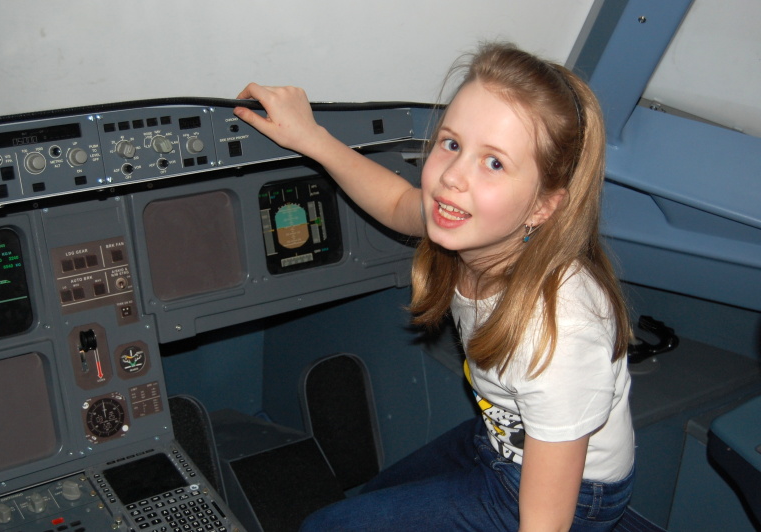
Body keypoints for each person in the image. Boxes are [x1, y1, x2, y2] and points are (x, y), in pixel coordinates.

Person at [234, 41, 635, 532]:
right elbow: (396, 202)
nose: (452, 178)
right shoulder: (478, 225)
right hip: (502, 440)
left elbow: (545, 524)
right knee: (373, 499)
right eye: (452, 144)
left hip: (575, 495)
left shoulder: (560, 332)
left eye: (494, 163)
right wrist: (312, 137)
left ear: (542, 207)